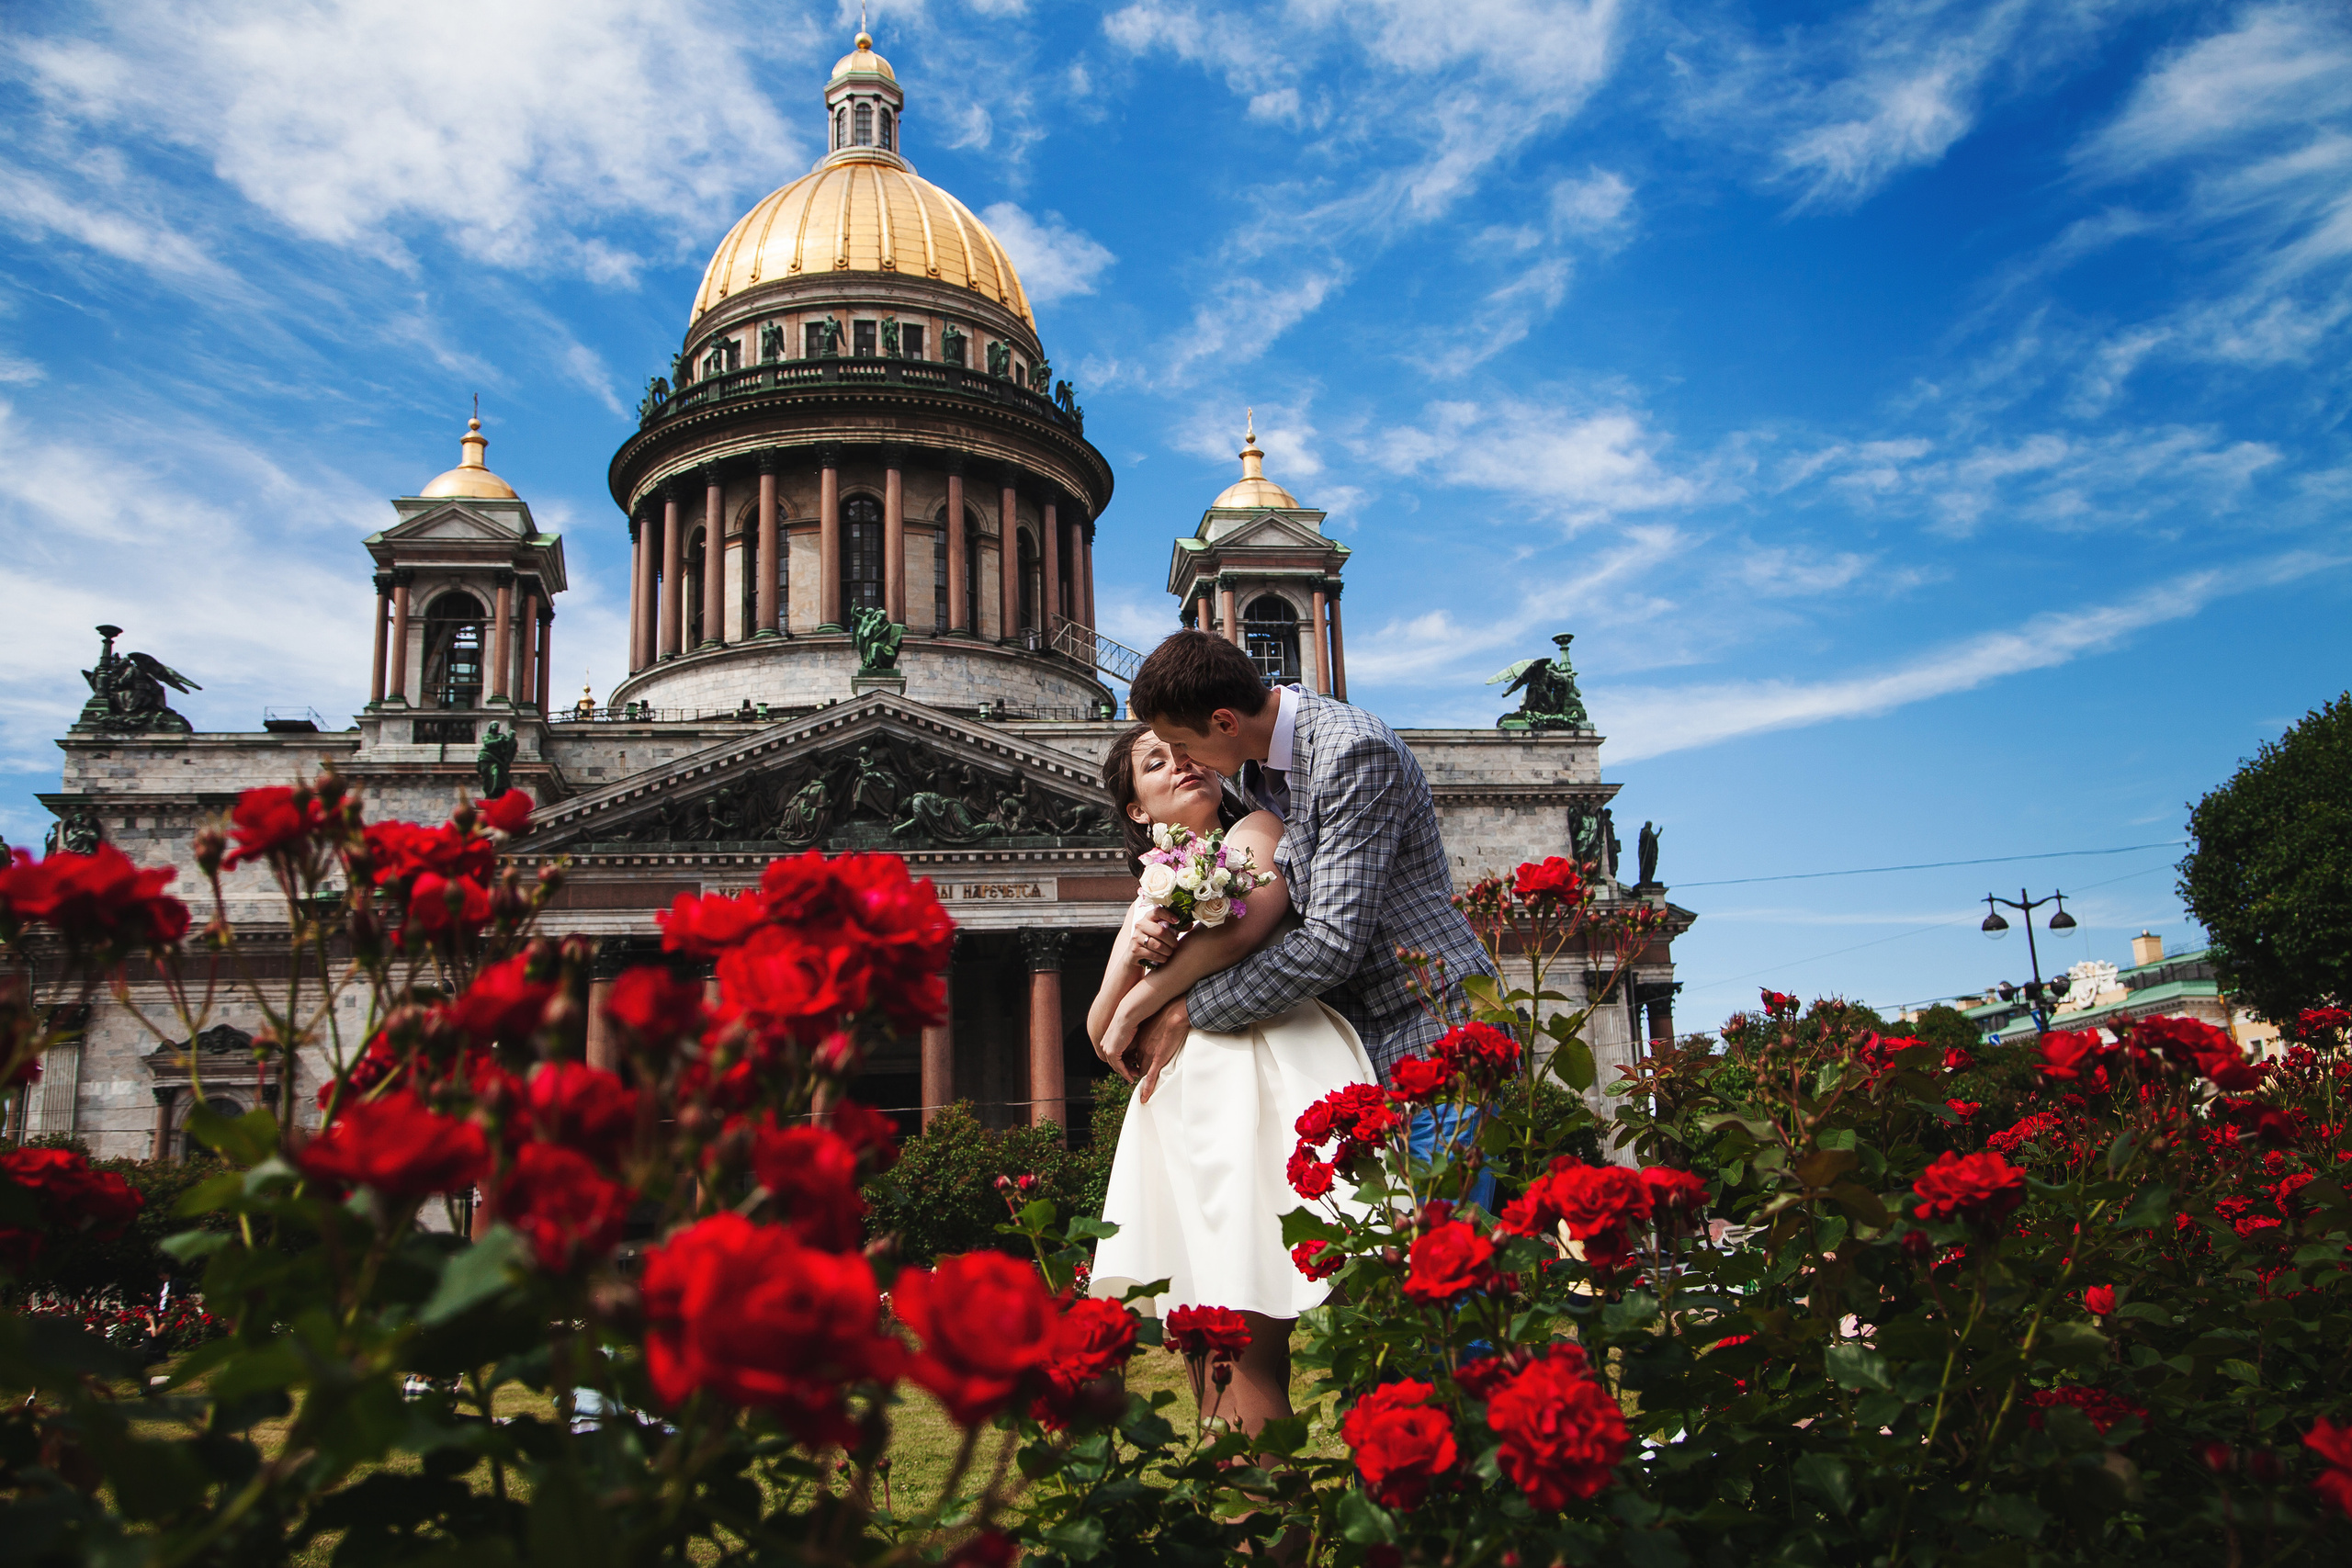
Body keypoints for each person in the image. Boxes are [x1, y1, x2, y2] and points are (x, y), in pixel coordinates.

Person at [1086, 721, 1377, 1434]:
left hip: (1267, 1075)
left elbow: (1245, 927)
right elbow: (1102, 1034)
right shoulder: (1147, 892)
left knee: (1266, 1311)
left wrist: (1153, 996)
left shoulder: (1256, 827)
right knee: (1209, 1335)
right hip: (1187, 1102)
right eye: (1157, 762)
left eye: (1184, 751)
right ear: (1137, 808)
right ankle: (1257, 1527)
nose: (1180, 765)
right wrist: (1132, 944)